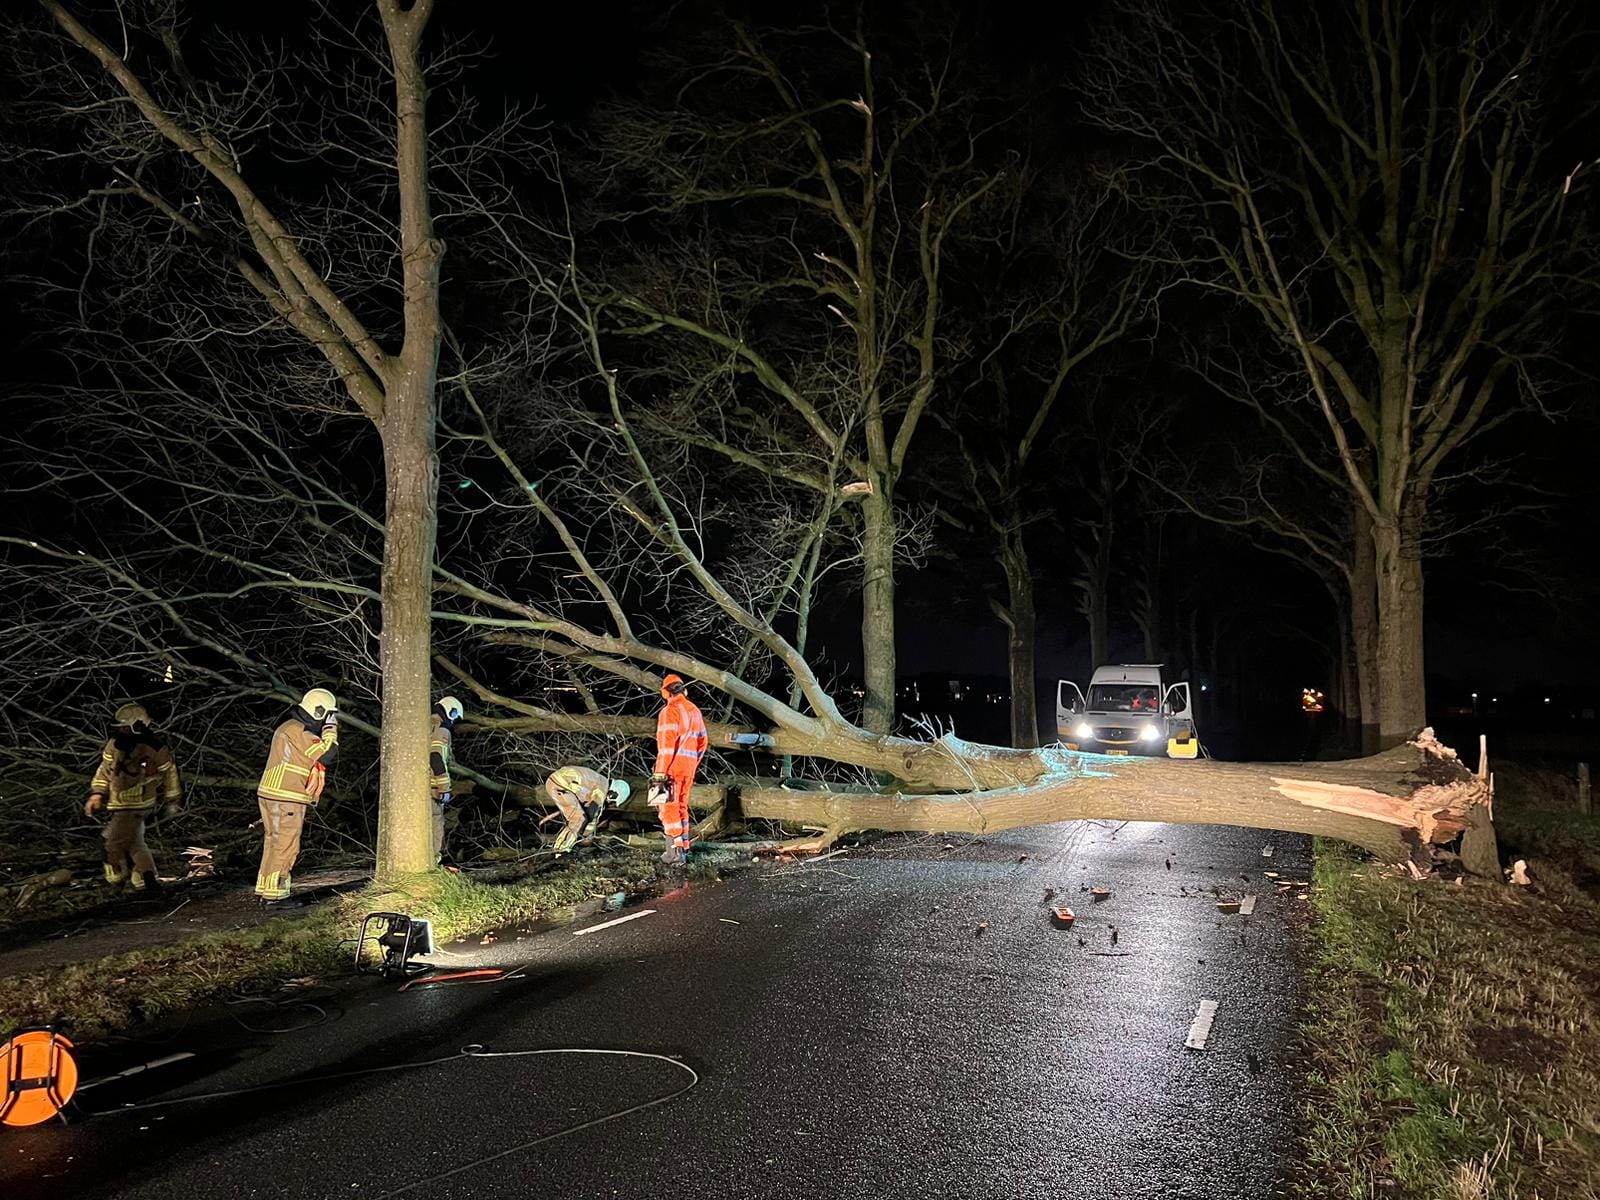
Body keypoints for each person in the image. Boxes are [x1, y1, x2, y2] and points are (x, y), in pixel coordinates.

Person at [86, 703, 181, 892]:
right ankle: (146, 877)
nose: (119, 730)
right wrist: (97, 793)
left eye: (123, 726)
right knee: (135, 842)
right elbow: (105, 770)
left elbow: (169, 774)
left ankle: (116, 874)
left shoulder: (154, 747)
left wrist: (173, 800)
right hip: (118, 802)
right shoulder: (114, 745)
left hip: (138, 804)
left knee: (108, 842)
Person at [255, 688, 338, 902]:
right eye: (328, 714)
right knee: (286, 844)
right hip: (287, 796)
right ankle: (277, 896)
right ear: (319, 711)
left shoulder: (288, 727)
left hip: (272, 793)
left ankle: (265, 889)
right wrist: (331, 730)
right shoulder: (299, 731)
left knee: (273, 842)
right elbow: (328, 755)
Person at [650, 674, 707, 867]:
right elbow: (702, 742)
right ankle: (683, 849)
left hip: (671, 767)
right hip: (688, 766)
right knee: (682, 806)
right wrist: (693, 763)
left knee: (668, 809)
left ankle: (673, 853)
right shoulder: (695, 711)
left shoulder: (669, 711)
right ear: (685, 690)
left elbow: (666, 747)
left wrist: (659, 772)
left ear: (665, 692)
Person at [543, 766, 629, 854]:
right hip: (560, 785)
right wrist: (587, 834)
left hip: (559, 782)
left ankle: (562, 846)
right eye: (612, 802)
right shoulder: (601, 791)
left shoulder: (600, 782)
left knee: (578, 818)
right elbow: (593, 812)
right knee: (578, 819)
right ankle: (560, 851)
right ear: (612, 795)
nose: (609, 804)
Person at [430, 696, 464, 864]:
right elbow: (436, 757)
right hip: (432, 788)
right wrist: (444, 789)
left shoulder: (426, 725)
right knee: (436, 823)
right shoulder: (441, 730)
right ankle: (432, 861)